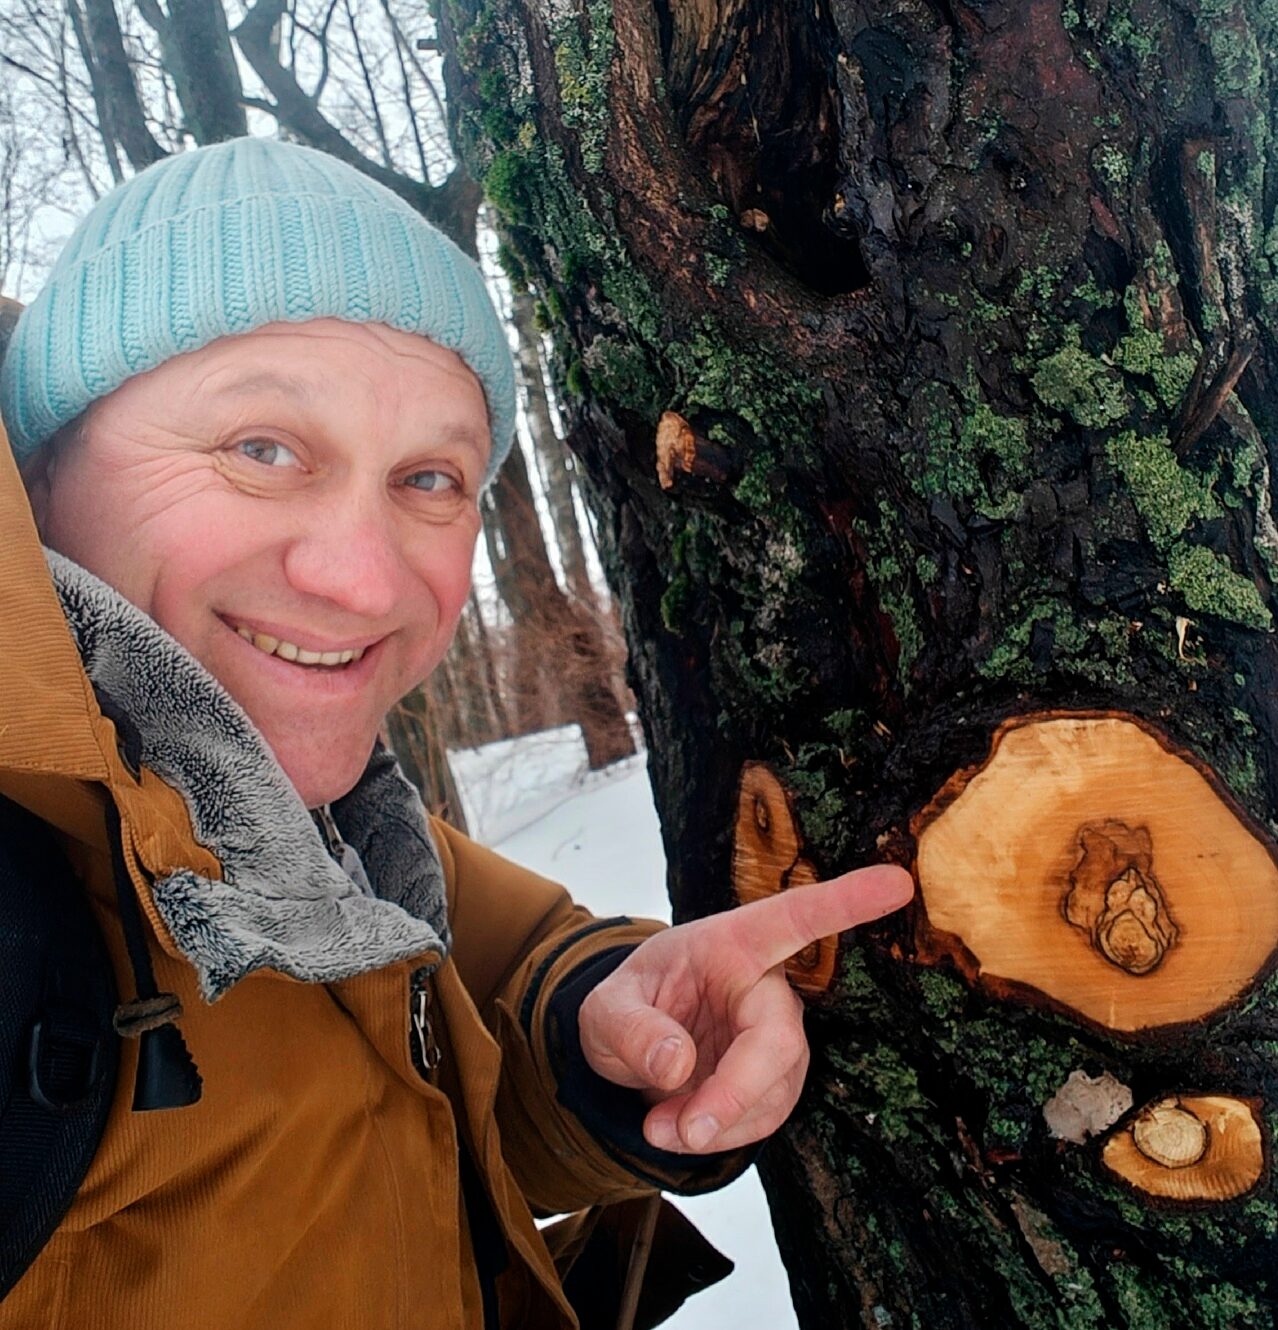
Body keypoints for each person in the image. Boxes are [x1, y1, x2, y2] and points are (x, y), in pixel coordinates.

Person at [0, 136, 912, 1329]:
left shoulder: (323, 827)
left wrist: (594, 1032)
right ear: (40, 472)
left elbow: (479, 981)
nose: (366, 581)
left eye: (430, 477)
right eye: (261, 449)